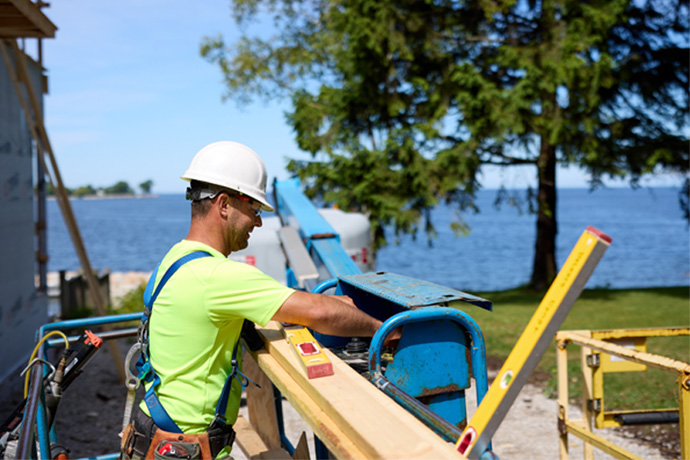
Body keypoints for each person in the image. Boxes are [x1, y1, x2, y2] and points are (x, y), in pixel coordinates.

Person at [121, 141, 390, 459]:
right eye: (254, 209)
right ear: (224, 205)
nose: (258, 222)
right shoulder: (217, 276)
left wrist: (333, 307)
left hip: (150, 435)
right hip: (187, 449)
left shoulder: (175, 258)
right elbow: (318, 310)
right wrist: (386, 330)